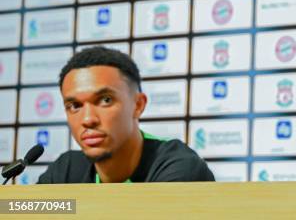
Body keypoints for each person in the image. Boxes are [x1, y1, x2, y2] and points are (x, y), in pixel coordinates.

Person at [38, 46, 215, 183]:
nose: (88, 119)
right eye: (74, 106)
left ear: (138, 105)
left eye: (105, 100)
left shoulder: (177, 166)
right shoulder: (66, 170)